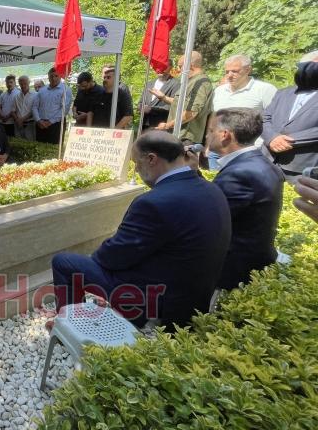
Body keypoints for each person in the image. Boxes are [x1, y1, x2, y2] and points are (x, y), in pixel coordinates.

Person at [51, 131, 231, 327]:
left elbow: (111, 257)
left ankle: (70, 325)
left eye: (137, 162)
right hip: (193, 294)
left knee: (64, 262)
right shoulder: (212, 189)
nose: (136, 169)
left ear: (151, 159)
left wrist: (99, 261)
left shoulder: (154, 202)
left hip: (159, 301)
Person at [206, 108, 284, 290]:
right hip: (254, 261)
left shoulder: (239, 174)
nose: (207, 136)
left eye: (210, 131)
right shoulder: (259, 162)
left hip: (233, 270)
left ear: (224, 135)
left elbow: (206, 220)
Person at [205, 54, 278, 169]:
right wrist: (208, 144)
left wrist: (271, 140)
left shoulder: (264, 90)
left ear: (248, 70)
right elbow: (214, 118)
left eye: (235, 71)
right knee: (215, 179)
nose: (230, 75)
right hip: (218, 149)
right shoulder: (219, 91)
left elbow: (275, 118)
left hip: (249, 151)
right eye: (227, 72)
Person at [262, 51, 318, 182]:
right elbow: (264, 118)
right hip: (268, 160)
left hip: (302, 166)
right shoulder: (283, 93)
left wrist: (285, 141)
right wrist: (272, 138)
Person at [158, 51, 214, 145]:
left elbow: (191, 112)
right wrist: (164, 98)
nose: (179, 70)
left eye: (180, 66)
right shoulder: (190, 81)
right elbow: (182, 103)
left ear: (190, 65)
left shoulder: (200, 82)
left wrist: (167, 125)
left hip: (185, 138)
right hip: (178, 135)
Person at [32, 68, 71, 143]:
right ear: (48, 77)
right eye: (51, 76)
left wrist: (50, 122)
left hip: (56, 125)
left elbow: (64, 109)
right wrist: (38, 120)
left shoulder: (66, 89)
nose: (53, 78)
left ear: (60, 76)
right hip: (40, 124)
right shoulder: (42, 90)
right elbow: (34, 107)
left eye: (56, 76)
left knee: (54, 147)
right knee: (39, 147)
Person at [140, 62, 180, 131]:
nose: (160, 69)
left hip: (162, 126)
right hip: (145, 125)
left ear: (170, 67)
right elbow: (141, 102)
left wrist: (152, 110)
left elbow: (175, 104)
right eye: (158, 66)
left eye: (163, 66)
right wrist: (141, 107)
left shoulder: (176, 84)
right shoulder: (149, 84)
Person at [14, 75, 37, 141]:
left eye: (25, 83)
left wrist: (22, 120)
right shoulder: (16, 96)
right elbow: (13, 111)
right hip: (18, 124)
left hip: (30, 124)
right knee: (18, 143)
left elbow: (34, 110)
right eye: (21, 84)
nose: (23, 86)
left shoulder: (35, 95)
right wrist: (18, 120)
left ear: (29, 82)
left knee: (30, 143)